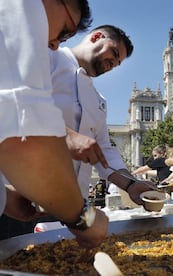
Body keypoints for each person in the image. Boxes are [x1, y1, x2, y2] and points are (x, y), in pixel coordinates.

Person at [0, 0, 108, 249]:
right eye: (66, 31)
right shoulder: (22, 7)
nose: (56, 43)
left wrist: (3, 196)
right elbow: (25, 138)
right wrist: (83, 218)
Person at [50, 24, 153, 201]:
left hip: (73, 203)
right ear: (97, 37)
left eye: (118, 63)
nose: (113, 64)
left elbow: (103, 151)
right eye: (113, 53)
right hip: (22, 193)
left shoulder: (98, 100)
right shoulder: (49, 59)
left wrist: (131, 184)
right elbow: (19, 105)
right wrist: (67, 136)